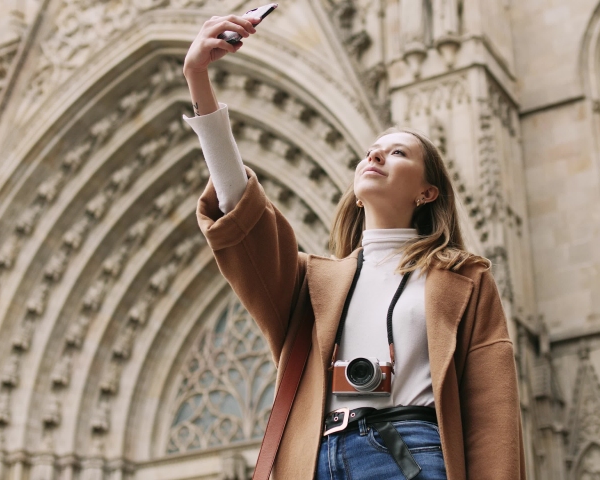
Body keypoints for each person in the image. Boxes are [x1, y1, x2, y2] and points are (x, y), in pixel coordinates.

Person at [182, 13, 526, 480]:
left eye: (400, 152)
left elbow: (492, 415)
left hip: (410, 451)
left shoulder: (462, 277)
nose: (377, 155)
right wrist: (198, 79)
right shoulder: (314, 283)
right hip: (316, 458)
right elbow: (242, 210)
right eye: (372, 150)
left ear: (428, 192)